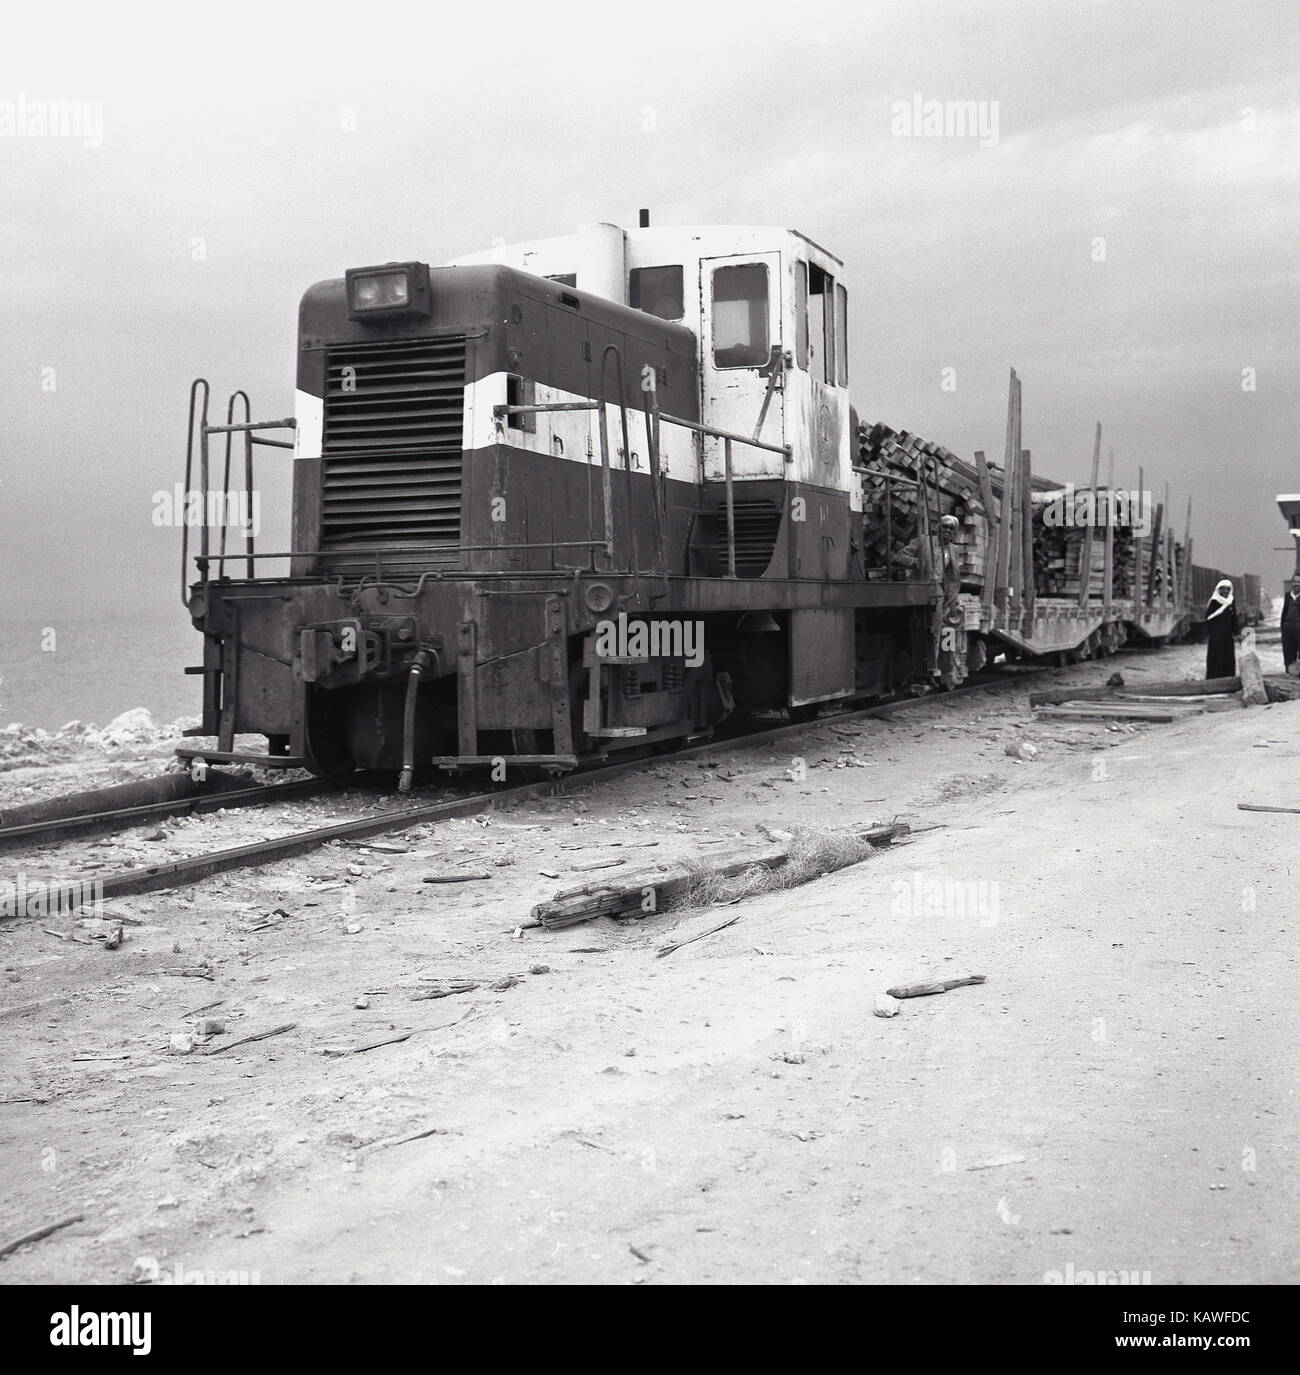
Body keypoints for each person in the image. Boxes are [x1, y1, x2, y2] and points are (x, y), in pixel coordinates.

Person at [1205, 578, 1241, 679]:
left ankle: (1228, 679)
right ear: (1218, 590)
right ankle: (1214, 680)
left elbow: (1234, 619)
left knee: (1228, 658)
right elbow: (1208, 619)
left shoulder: (1231, 601)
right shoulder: (1214, 602)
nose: (1225, 591)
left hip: (1228, 637)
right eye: (1223, 589)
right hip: (1216, 637)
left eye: (1227, 589)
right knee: (1216, 658)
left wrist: (1237, 632)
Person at [1282, 575, 1300, 674]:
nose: (1296, 584)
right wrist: (1283, 630)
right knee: (1288, 659)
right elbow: (1284, 613)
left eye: (1299, 582)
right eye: (1294, 582)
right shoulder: (1287, 596)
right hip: (1288, 631)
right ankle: (1289, 680)